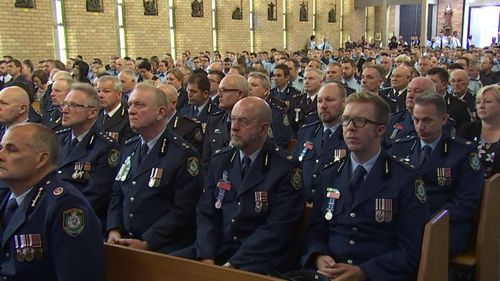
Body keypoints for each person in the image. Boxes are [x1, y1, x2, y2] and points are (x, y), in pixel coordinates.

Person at [302, 91, 428, 280]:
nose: (350, 128)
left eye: (360, 121)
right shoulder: (329, 174)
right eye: (346, 120)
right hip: (330, 273)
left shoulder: (405, 178)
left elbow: (411, 249)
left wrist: (364, 272)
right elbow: (316, 232)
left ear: (380, 129)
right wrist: (319, 256)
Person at [173, 97, 304, 275]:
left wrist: (232, 264)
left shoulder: (285, 167)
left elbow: (278, 228)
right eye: (233, 119)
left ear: (263, 128)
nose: (234, 127)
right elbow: (206, 212)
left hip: (260, 256)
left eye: (243, 121)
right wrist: (206, 254)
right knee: (166, 267)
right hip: (219, 248)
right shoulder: (221, 159)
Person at [107, 83, 203, 254]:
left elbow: (183, 210)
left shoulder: (183, 154)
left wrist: (147, 242)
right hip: (123, 242)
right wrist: (114, 229)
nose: (131, 110)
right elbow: (117, 193)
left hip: (163, 248)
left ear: (161, 112)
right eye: (129, 105)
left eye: (139, 105)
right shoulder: (129, 147)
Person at [0, 123, 104, 280]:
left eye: (11, 149)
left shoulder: (66, 206)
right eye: (1, 148)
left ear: (41, 159)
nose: (1, 155)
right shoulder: (8, 197)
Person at [389, 92, 483, 258]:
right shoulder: (400, 148)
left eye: (427, 120)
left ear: (444, 119)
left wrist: (427, 221)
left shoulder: (462, 153)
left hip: (444, 225)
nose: (420, 126)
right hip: (403, 222)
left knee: (411, 252)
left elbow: (465, 202)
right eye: (416, 120)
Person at [56, 83, 120, 225]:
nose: (65, 110)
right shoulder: (57, 139)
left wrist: (57, 215)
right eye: (64, 104)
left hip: (79, 220)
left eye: (73, 106)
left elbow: (95, 196)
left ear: (92, 112)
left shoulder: (106, 147)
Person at [295, 82, 347, 202]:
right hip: (302, 204)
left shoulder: (351, 134)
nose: (323, 105)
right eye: (319, 101)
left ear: (344, 102)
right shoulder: (306, 132)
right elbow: (295, 169)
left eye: (329, 100)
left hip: (333, 206)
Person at [202, 74, 247, 172]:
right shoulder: (214, 121)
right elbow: (206, 161)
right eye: (219, 91)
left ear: (239, 94)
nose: (219, 95)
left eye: (224, 90)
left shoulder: (254, 122)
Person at [458, 85, 500, 177]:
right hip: (468, 186)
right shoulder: (466, 129)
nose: (481, 106)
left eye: (487, 102)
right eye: (478, 102)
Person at [247, 72, 291, 148]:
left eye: (254, 85)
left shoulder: (277, 113)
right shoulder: (241, 110)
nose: (249, 88)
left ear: (266, 91)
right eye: (247, 85)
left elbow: (282, 141)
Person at [159, 84, 204, 154]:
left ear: (173, 103)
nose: (155, 104)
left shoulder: (190, 127)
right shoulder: (151, 123)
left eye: (159, 101)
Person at [96, 75, 135, 144]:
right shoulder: (96, 114)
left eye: (106, 91)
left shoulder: (128, 117)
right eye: (98, 91)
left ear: (118, 95)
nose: (100, 95)